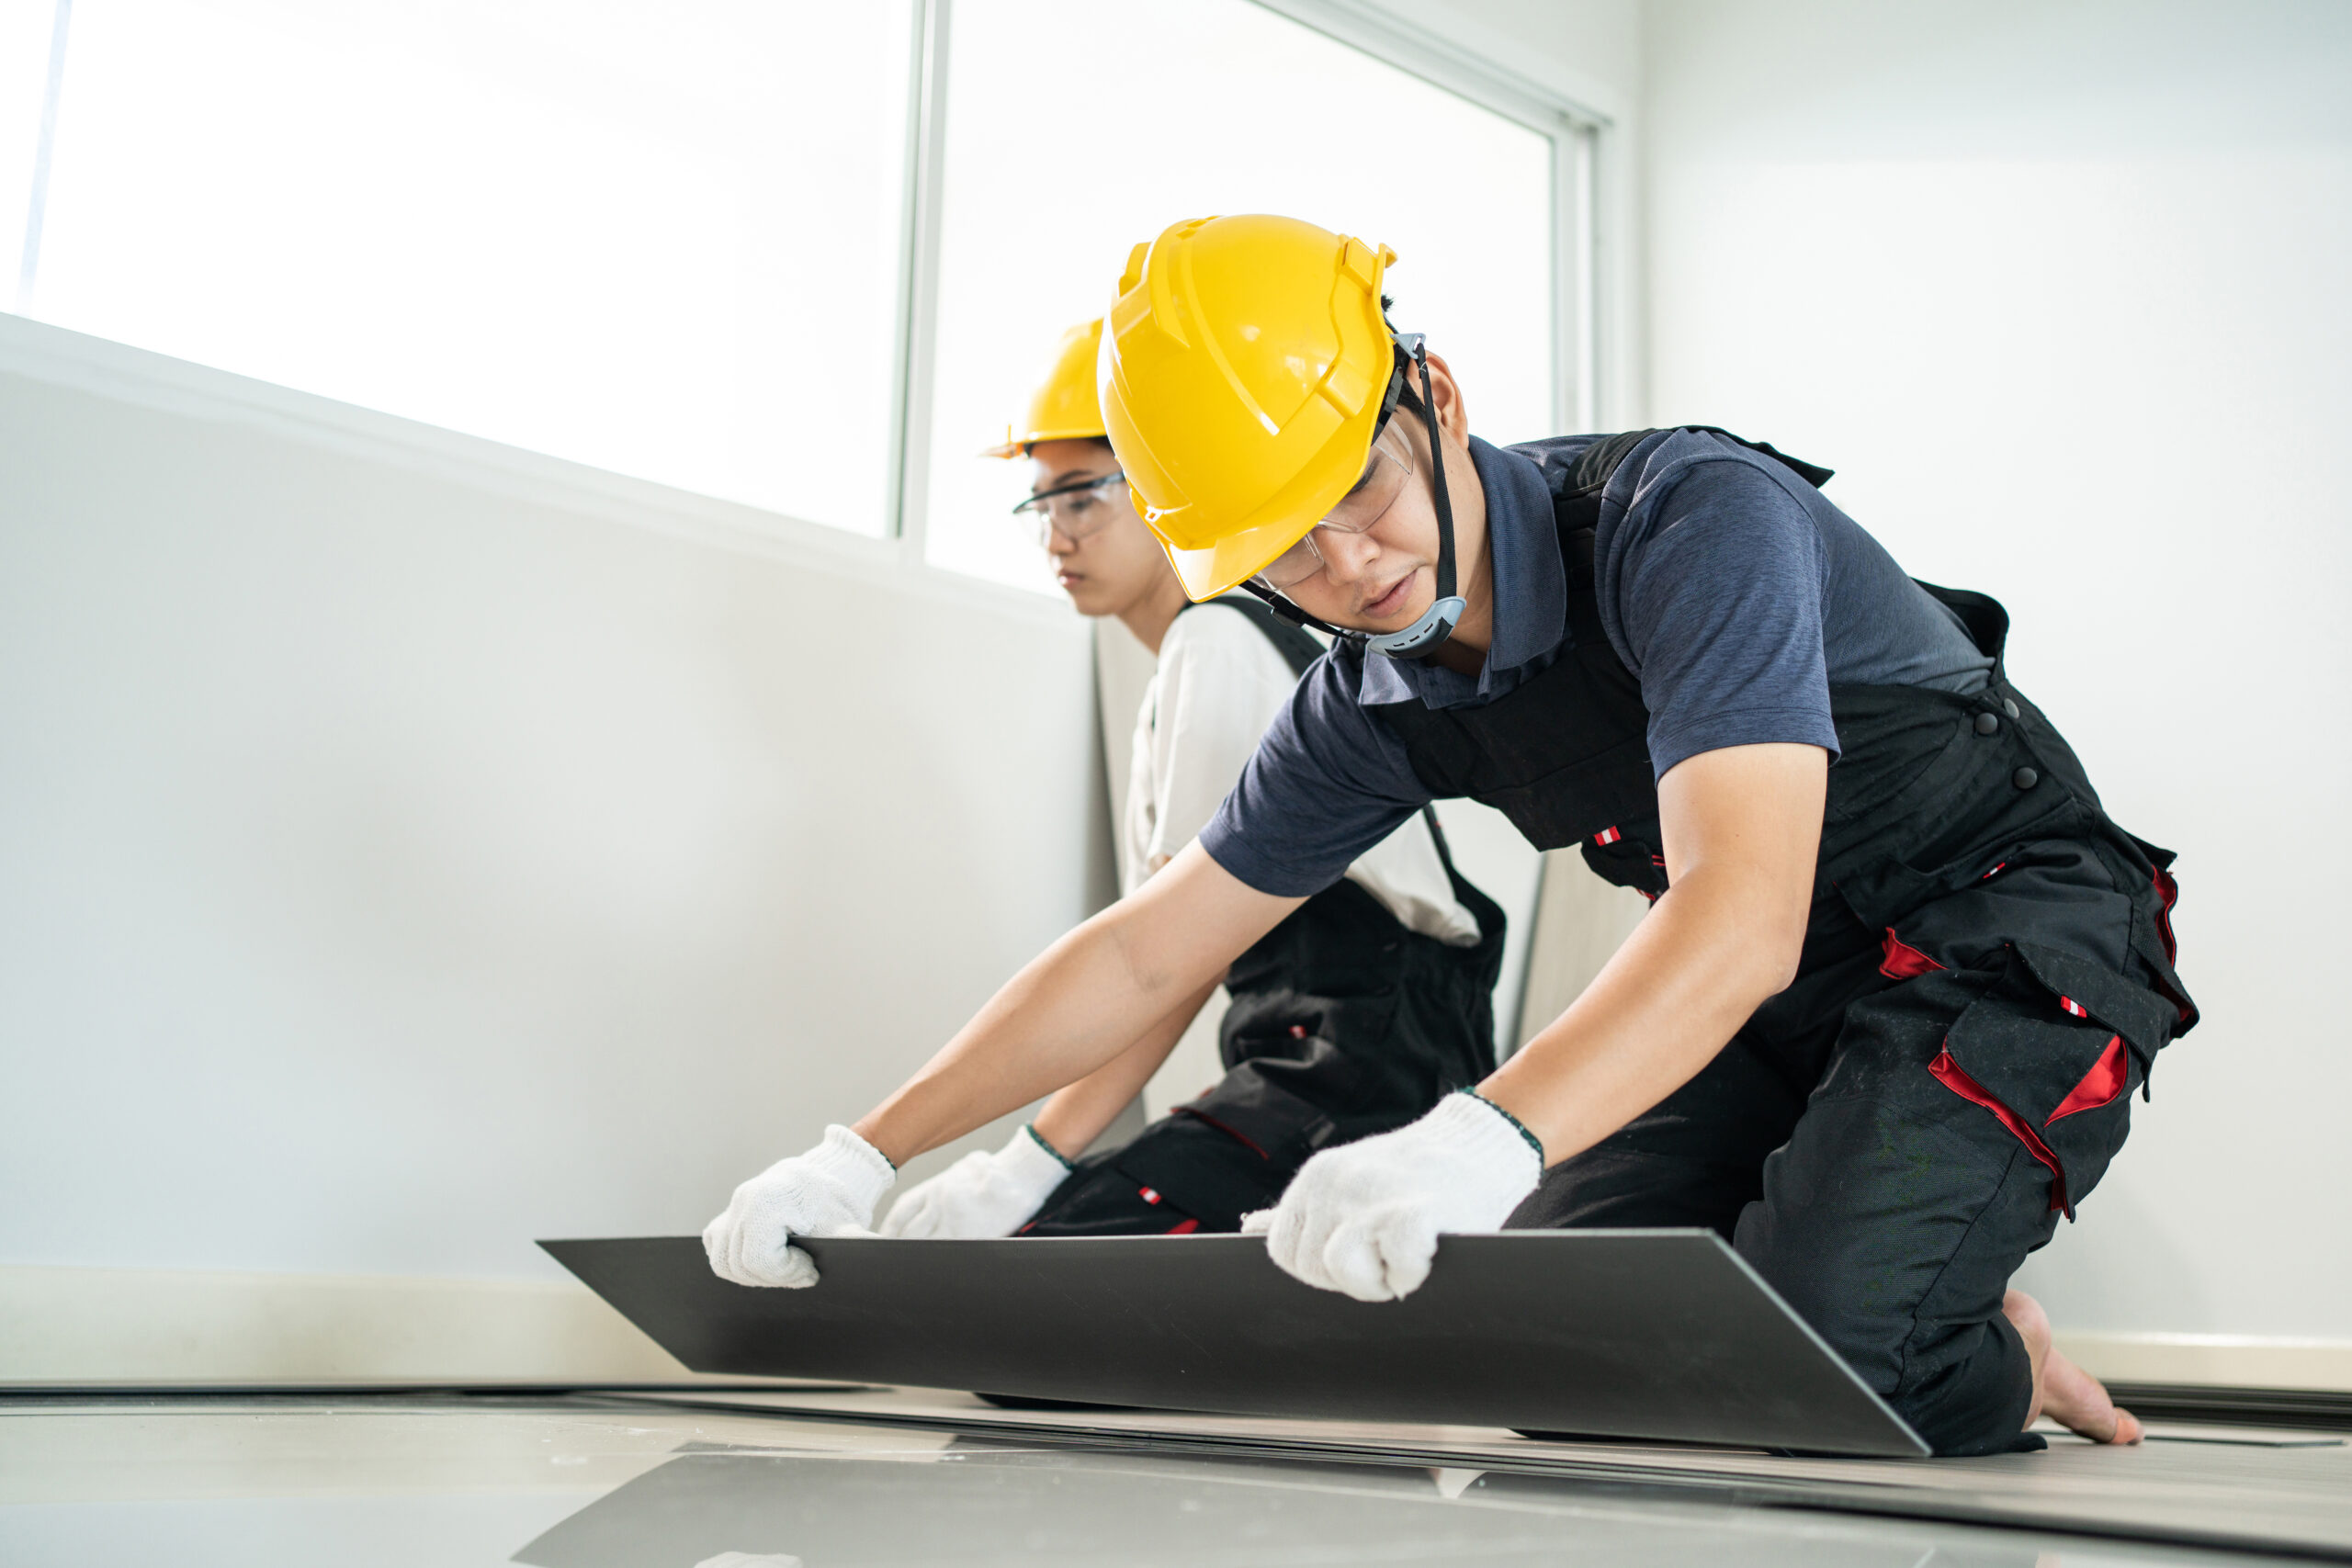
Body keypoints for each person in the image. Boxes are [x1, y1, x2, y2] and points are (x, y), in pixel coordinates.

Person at [703, 216, 2195, 1460]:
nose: (1347, 563)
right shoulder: (1369, 697)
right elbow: (1151, 944)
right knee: (1556, 1351)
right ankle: (1915, 1274)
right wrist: (859, 1154)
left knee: (1827, 1356)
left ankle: (1968, 1341)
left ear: (1438, 395)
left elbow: (1735, 909)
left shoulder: (1691, 520)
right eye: (1283, 540)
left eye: (1355, 484)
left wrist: (1480, 1133)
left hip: (2010, 943)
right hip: (1783, 1001)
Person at [876, 319, 1503, 1243]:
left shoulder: (1221, 640)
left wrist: (1027, 1164)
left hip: (1367, 1072)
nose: (1058, 535)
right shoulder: (1198, 658)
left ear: (1171, 497)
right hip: (1326, 1063)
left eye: (1083, 498)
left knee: (1063, 1278)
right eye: (1041, 506)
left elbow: (1166, 958)